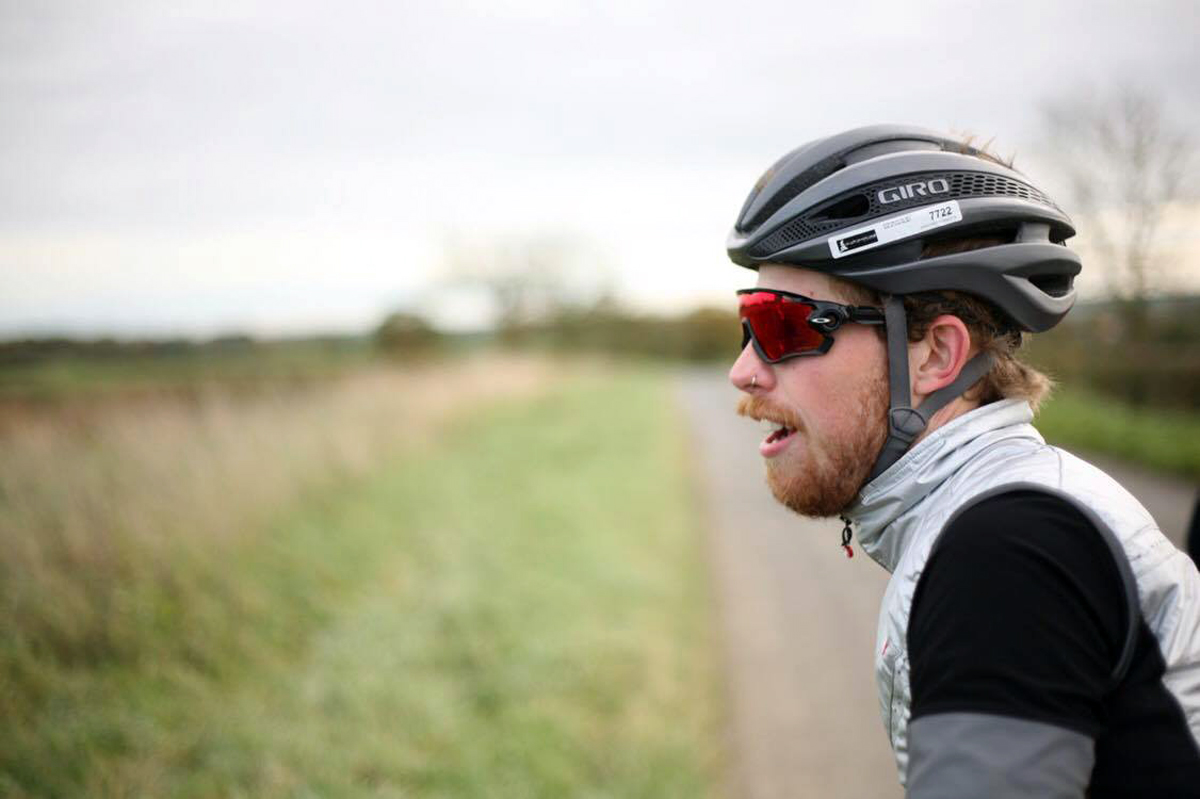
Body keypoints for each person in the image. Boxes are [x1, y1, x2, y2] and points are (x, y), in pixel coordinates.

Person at [725, 125, 1200, 796]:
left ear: (935, 355)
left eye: (783, 326)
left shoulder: (1006, 552)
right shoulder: (1012, 515)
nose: (743, 370)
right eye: (747, 324)